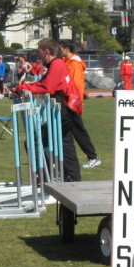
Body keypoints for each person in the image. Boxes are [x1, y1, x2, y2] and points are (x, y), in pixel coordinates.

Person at [14, 38, 81, 182]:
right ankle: (57, 177)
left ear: (46, 51)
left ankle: (54, 178)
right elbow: (44, 84)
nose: (38, 56)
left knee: (46, 143)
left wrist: (23, 87)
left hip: (64, 109)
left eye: (39, 52)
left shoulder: (57, 64)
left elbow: (48, 88)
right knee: (57, 144)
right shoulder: (55, 64)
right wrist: (29, 86)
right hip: (63, 108)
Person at [59, 41, 101, 169]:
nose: (59, 51)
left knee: (78, 130)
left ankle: (93, 156)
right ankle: (64, 157)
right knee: (67, 131)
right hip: (68, 101)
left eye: (60, 49)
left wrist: (71, 100)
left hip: (72, 102)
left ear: (66, 49)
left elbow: (75, 84)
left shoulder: (75, 64)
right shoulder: (67, 62)